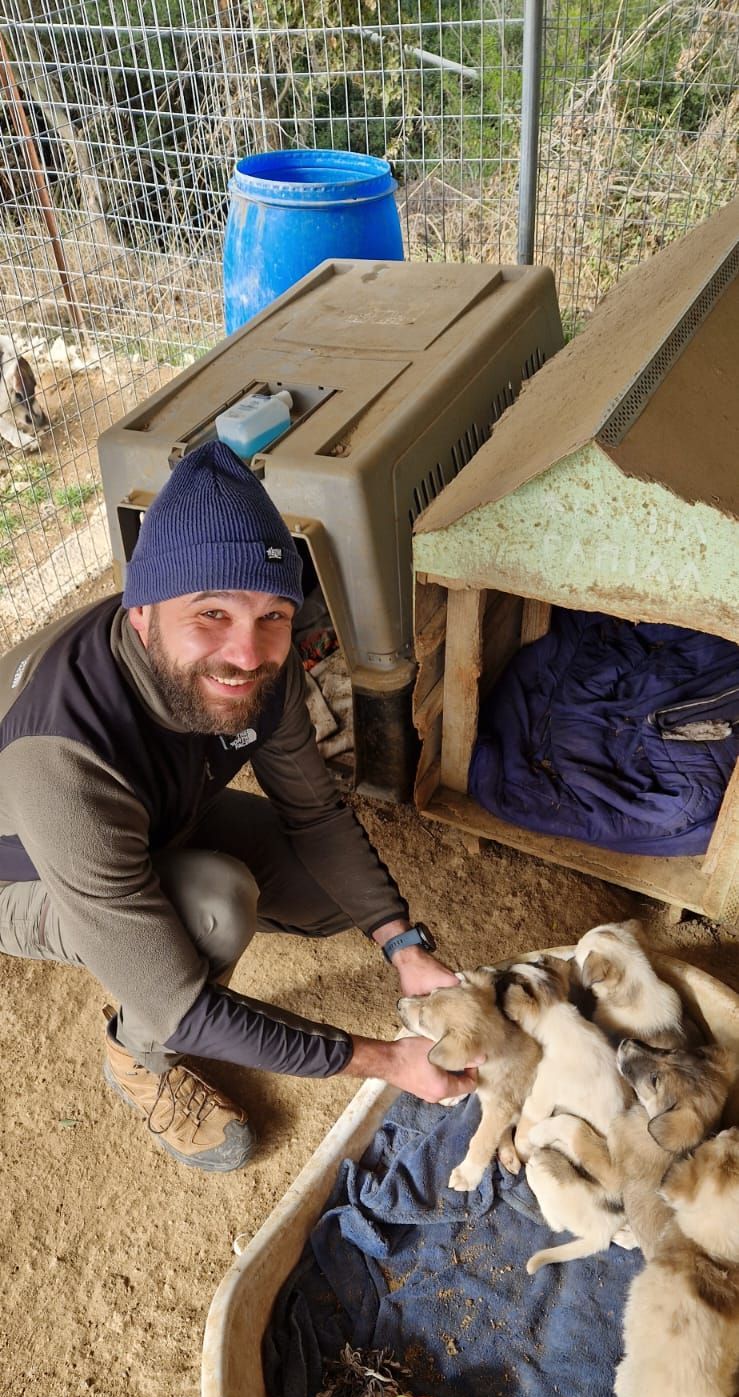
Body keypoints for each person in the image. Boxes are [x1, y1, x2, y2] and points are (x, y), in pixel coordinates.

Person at [0, 441, 478, 1172]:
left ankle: (166, 916)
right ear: (141, 613)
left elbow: (315, 812)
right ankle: (137, 1056)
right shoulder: (62, 757)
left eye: (272, 614)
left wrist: (401, 946)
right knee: (213, 908)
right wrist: (387, 1060)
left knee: (328, 897)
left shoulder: (257, 664)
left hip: (152, 817)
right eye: (212, 613)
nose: (247, 653)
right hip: (24, 867)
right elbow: (182, 1007)